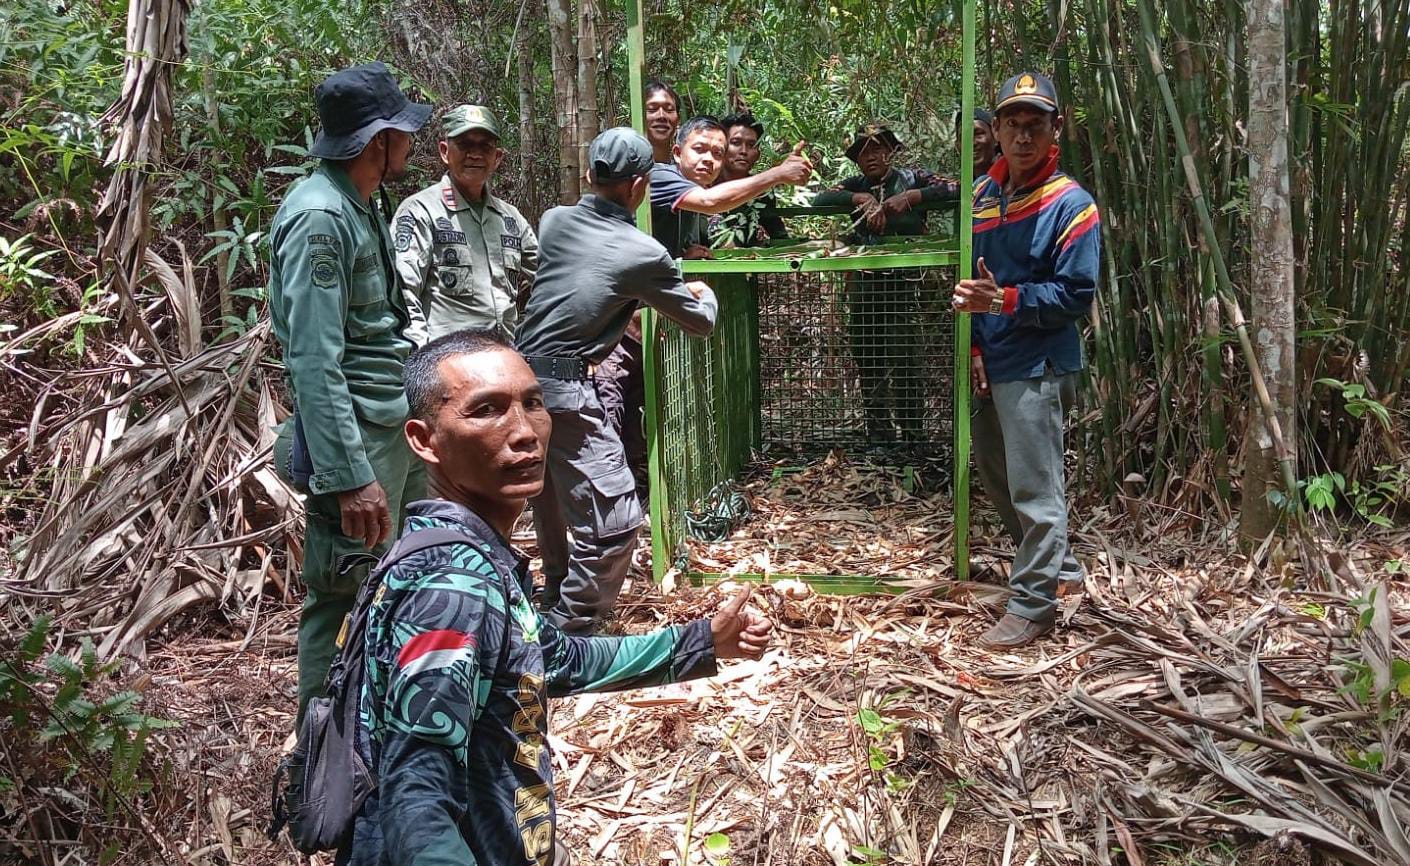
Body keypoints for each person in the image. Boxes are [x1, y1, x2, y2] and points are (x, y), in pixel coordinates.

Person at [346, 329, 772, 866]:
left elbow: (559, 657)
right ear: (424, 440)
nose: (524, 432)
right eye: (487, 411)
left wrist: (702, 643)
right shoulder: (453, 588)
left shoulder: (464, 556)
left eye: (533, 403)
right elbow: (417, 788)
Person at [267, 61, 431, 721]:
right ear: (377, 141)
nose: (412, 143)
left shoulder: (359, 203)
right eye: (404, 132)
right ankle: (325, 760)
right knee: (342, 597)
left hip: (389, 423)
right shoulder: (318, 218)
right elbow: (313, 356)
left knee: (399, 574)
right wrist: (347, 475)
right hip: (356, 440)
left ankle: (384, 724)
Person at [515, 127, 719, 633]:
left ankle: (553, 599)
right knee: (617, 519)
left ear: (590, 175)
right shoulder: (642, 252)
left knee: (553, 499)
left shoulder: (555, 221)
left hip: (519, 383)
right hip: (565, 389)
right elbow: (699, 323)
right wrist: (702, 290)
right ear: (640, 186)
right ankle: (574, 627)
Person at [952, 72, 1100, 649]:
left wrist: (1004, 301)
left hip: (1039, 363)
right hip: (994, 358)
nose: (1021, 136)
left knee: (1036, 489)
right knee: (996, 474)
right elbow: (971, 283)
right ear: (997, 131)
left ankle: (1033, 604)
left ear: (1054, 130)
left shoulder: (1071, 204)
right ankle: (1059, 572)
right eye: (1012, 124)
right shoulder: (985, 197)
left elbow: (1075, 296)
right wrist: (974, 344)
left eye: (1033, 125)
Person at [813, 123, 951, 443]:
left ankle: (913, 437)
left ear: (891, 151)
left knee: (906, 361)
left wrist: (913, 197)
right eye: (863, 152)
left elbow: (955, 188)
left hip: (904, 286)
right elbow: (819, 200)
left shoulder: (911, 177)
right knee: (869, 360)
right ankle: (880, 436)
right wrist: (859, 197)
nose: (871, 157)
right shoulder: (855, 184)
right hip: (865, 285)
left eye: (877, 149)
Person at [392, 104, 538, 343]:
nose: (475, 154)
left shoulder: (511, 220)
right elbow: (403, 292)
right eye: (465, 144)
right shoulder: (421, 211)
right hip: (447, 365)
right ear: (444, 151)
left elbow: (546, 283)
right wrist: (419, 355)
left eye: (485, 146)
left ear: (497, 157)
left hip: (503, 362)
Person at [650, 115, 813, 258]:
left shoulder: (693, 188)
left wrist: (683, 253)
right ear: (678, 153)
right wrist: (777, 174)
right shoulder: (662, 177)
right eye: (699, 149)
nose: (708, 159)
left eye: (717, 153)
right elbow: (709, 202)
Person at [707, 112, 791, 248]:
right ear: (721, 147)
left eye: (751, 144)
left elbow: (777, 234)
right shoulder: (704, 185)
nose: (744, 151)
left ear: (758, 153)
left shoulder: (763, 191)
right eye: (736, 143)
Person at [644, 79, 682, 165]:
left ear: (678, 120)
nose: (661, 116)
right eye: (652, 109)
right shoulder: (624, 171)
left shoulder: (686, 173)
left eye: (669, 110)